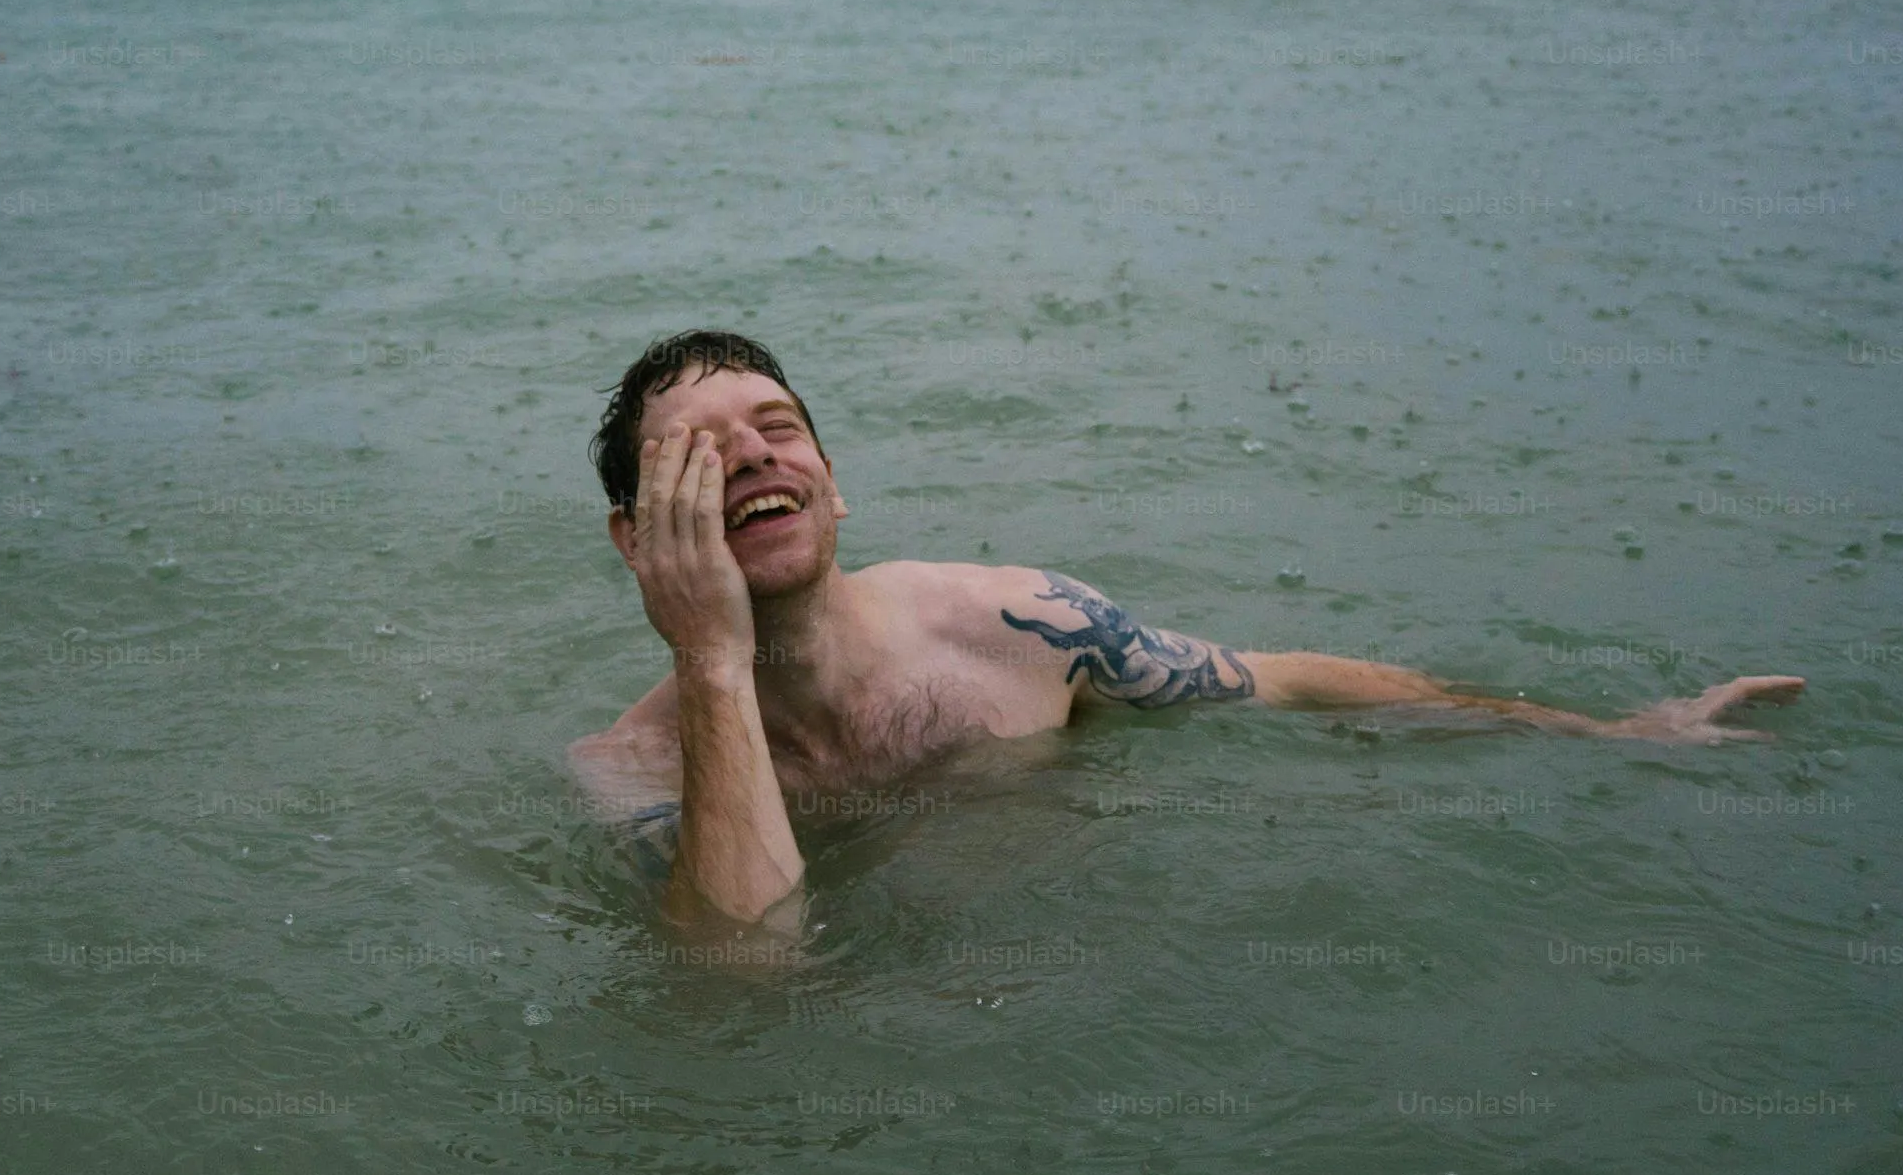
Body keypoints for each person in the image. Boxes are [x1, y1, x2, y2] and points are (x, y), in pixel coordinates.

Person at [566, 330, 1803, 929]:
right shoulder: (632, 769)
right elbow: (745, 981)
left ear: (834, 481)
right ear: (636, 537)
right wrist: (712, 658)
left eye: (778, 428)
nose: (751, 456)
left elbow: (1279, 683)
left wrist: (1603, 729)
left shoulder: (1015, 623)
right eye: (699, 453)